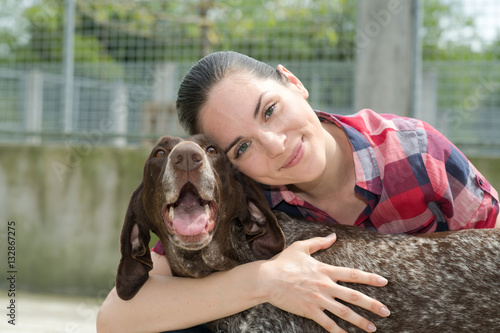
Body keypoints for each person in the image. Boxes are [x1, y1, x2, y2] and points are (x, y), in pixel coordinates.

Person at [97, 51, 500, 333]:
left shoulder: (416, 152)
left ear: (293, 82)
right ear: (230, 171)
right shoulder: (244, 196)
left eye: (269, 110)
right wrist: (266, 279)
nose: (275, 145)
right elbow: (116, 318)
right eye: (243, 147)